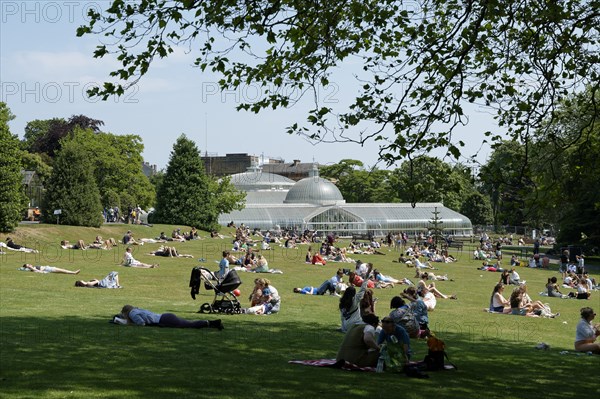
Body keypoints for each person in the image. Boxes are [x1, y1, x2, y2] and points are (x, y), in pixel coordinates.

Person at [119, 305, 223, 330]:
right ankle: (213, 323)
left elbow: (142, 323)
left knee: (189, 325)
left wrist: (129, 324)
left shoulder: (132, 313)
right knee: (189, 323)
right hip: (165, 316)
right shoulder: (137, 309)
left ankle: (211, 323)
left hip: (164, 320)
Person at [339, 264, 372, 332]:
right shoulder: (355, 298)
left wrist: (343, 328)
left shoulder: (342, 301)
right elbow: (363, 287)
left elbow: (342, 317)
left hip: (345, 325)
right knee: (371, 326)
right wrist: (368, 272)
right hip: (355, 324)